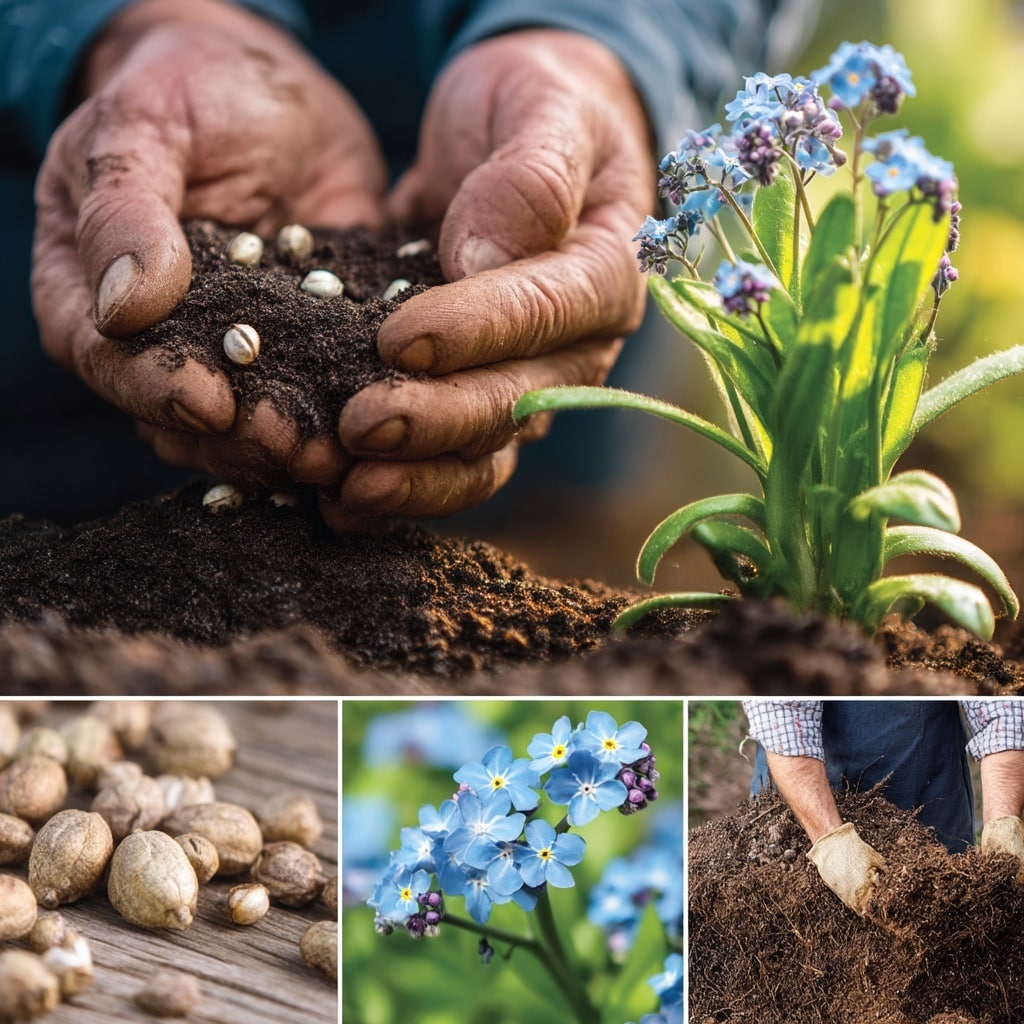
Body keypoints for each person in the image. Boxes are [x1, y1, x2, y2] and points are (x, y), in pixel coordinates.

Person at [0, 0, 818, 525]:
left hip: (512, 365)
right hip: (76, 169)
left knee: (477, 548)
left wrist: (594, 43)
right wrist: (139, 22)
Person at [742, 699, 1024, 916]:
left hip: (926, 782)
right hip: (805, 795)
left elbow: (1004, 708)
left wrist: (1004, 821)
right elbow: (782, 717)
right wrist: (831, 844)